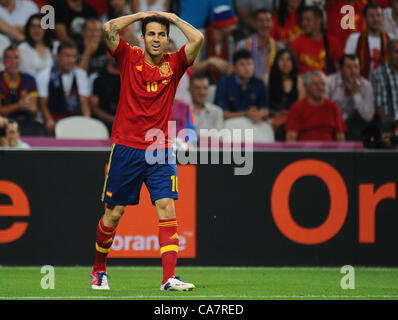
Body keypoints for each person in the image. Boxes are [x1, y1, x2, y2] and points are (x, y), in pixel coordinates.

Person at [92, 11, 203, 291]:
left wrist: (173, 19)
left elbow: (198, 38)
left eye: (161, 35)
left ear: (168, 40)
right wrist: (142, 14)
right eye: (151, 33)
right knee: (113, 215)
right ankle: (98, 269)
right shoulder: (128, 57)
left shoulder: (175, 64)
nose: (156, 39)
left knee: (167, 208)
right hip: (126, 147)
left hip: (160, 148)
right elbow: (108, 28)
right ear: (143, 37)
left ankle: (169, 278)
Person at [36, 41, 90, 134]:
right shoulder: (44, 75)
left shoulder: (81, 75)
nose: (70, 60)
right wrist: (49, 120)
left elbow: (84, 102)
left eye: (73, 56)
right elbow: (43, 103)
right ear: (57, 56)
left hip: (75, 122)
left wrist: (87, 123)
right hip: (53, 121)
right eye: (67, 56)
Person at [285, 69, 347, 141]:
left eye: (323, 84)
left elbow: (340, 138)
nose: (320, 88)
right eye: (315, 84)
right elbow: (291, 139)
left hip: (329, 152)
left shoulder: (333, 107)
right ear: (306, 86)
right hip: (304, 151)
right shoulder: (296, 108)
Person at [326, 54, 375, 141]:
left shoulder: (366, 85)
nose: (353, 71)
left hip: (354, 125)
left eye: (356, 67)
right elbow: (323, 109)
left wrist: (355, 94)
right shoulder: (330, 81)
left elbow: (368, 116)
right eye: (348, 67)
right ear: (340, 69)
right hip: (331, 122)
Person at [214, 49, 270, 122]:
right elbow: (222, 114)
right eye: (242, 64)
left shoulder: (259, 83)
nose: (247, 68)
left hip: (253, 122)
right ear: (234, 68)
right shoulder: (224, 83)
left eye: (249, 64)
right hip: (230, 123)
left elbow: (266, 110)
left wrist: (259, 114)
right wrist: (246, 113)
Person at [289, 5, 342, 75]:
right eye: (302, 20)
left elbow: (339, 70)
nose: (304, 23)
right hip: (303, 83)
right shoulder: (295, 43)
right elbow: (291, 71)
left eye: (308, 20)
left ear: (319, 21)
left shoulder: (332, 42)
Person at [266, 48, 305, 140]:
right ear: (276, 62)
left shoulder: (299, 81)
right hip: (272, 119)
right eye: (281, 59)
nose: (285, 63)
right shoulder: (267, 78)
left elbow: (301, 109)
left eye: (289, 59)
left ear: (293, 63)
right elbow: (264, 104)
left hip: (291, 120)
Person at [192, 4, 237, 84]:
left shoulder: (230, 40)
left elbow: (231, 67)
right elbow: (192, 69)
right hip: (202, 84)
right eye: (231, 24)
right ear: (223, 25)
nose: (234, 27)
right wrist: (210, 62)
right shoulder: (200, 37)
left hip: (224, 84)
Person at [235, 9, 284, 82]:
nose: (264, 24)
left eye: (267, 20)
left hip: (272, 89)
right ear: (254, 23)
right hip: (248, 87)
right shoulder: (242, 46)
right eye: (260, 21)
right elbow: (235, 71)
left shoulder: (279, 48)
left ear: (272, 23)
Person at [344, 2, 388, 79]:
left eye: (378, 15)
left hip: (385, 82)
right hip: (361, 83)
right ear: (364, 18)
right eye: (371, 16)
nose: (375, 19)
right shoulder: (354, 38)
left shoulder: (390, 39)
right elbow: (347, 64)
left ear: (382, 17)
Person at [0, 45, 38, 128]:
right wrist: (19, 105)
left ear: (20, 60)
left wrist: (28, 105)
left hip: (25, 121)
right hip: (4, 122)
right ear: (3, 61)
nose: (13, 61)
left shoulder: (29, 79)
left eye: (16, 58)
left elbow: (34, 110)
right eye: (8, 58)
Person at [17, 13, 57, 78]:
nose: (36, 30)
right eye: (33, 26)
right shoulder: (23, 48)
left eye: (40, 26)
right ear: (28, 29)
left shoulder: (55, 45)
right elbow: (27, 74)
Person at [89, 55, 120, 135]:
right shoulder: (98, 78)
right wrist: (113, 119)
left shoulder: (131, 77)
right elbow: (94, 107)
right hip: (103, 122)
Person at [369, 38, 398, 122]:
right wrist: (393, 123)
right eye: (396, 52)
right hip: (388, 125)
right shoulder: (377, 75)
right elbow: (376, 106)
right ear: (388, 53)